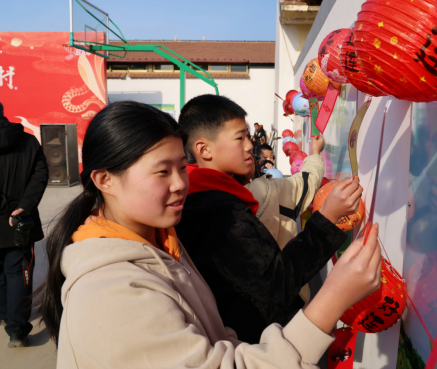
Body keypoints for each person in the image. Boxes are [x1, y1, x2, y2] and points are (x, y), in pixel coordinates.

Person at [37, 100, 383, 368]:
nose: (179, 184)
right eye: (162, 172)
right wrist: (331, 300)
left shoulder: (163, 241)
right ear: (104, 180)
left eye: (179, 167)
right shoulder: (111, 293)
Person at [176, 94, 364, 343]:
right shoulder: (218, 212)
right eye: (240, 137)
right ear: (203, 149)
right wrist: (327, 218)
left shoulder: (197, 197)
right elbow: (277, 283)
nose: (248, 146)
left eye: (248, 136)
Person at [244, 136, 326, 305]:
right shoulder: (267, 189)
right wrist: (316, 152)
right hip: (288, 297)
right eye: (240, 137)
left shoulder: (201, 199)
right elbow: (306, 181)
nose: (249, 145)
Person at [0, 102, 48, 347]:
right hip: (20, 223)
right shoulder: (29, 141)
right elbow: (41, 174)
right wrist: (24, 205)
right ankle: (17, 330)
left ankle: (4, 313)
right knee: (19, 273)